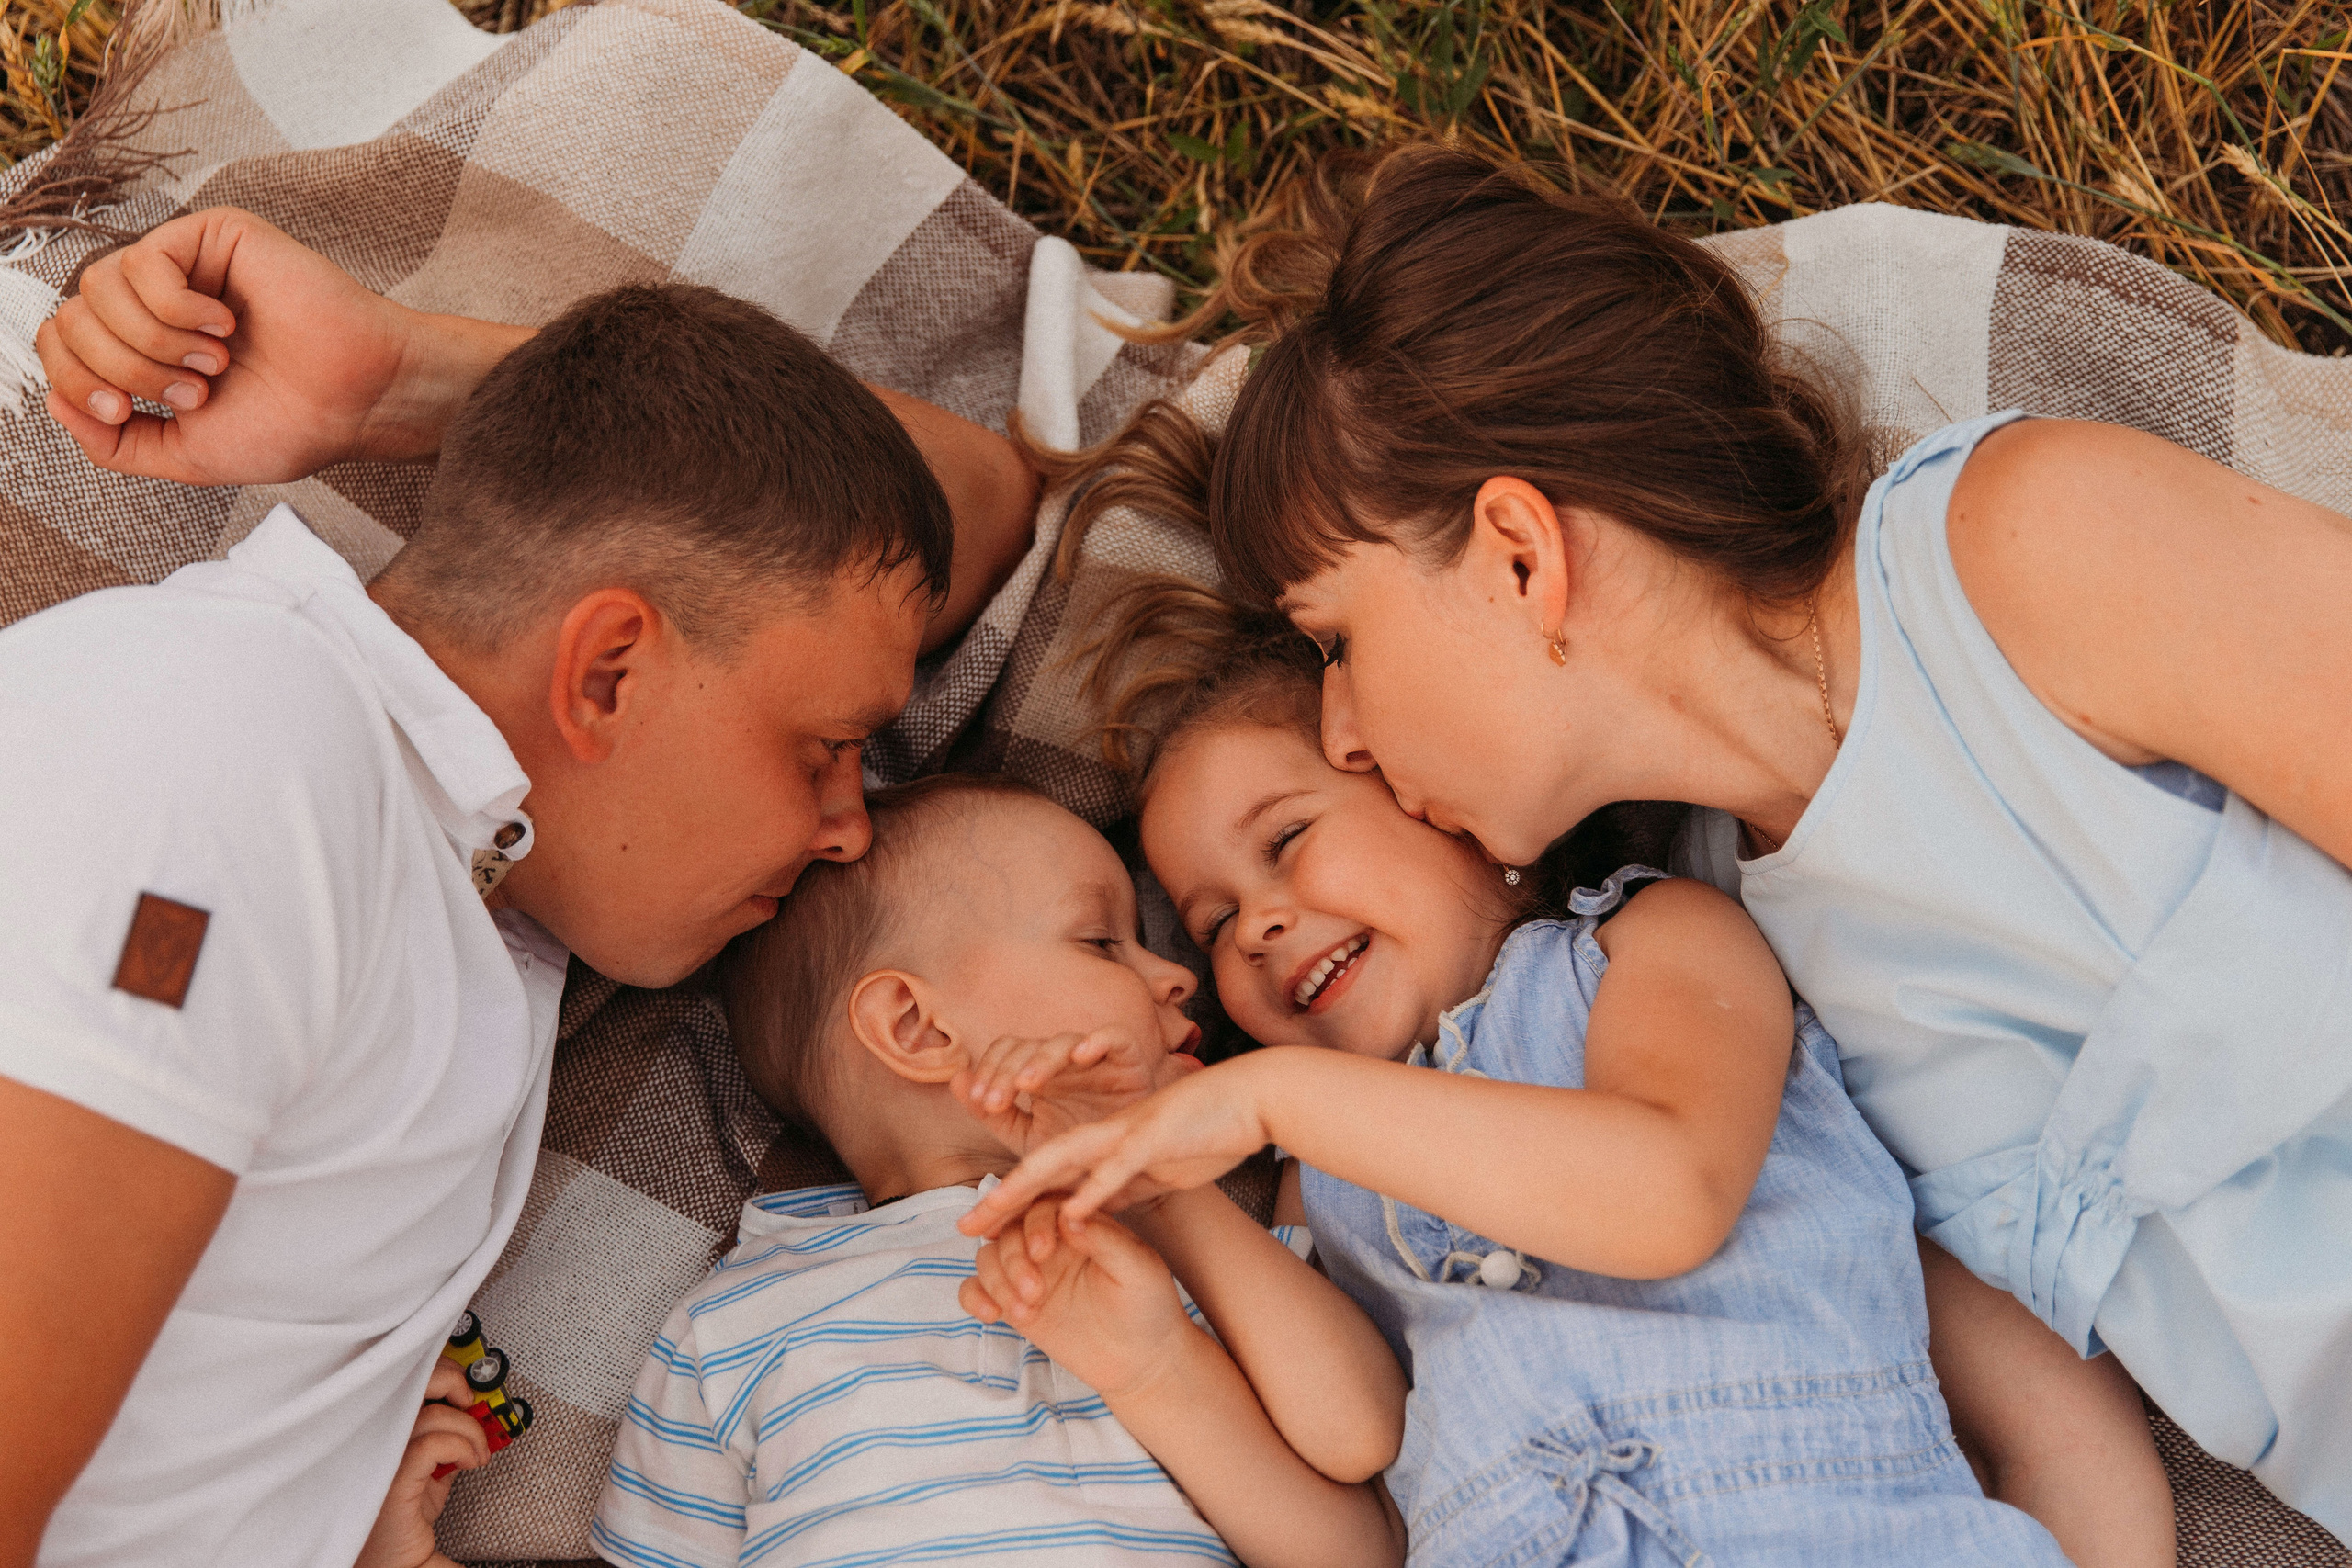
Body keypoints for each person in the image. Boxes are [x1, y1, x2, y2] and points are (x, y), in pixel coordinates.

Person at [1048, 141, 2352, 1541]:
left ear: (1519, 554)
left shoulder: (2021, 551)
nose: (1346, 730)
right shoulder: (1716, 954)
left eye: (1340, 643)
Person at [3, 208, 1039, 1568]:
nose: (851, 827)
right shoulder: (240, 743)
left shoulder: (455, 856)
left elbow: (965, 492)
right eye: (827, 747)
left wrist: (397, 379)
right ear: (609, 672)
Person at [960, 601, 2082, 1566]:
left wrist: (1262, 1101)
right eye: (1210, 926)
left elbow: (1666, 1193)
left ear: (1434, 800)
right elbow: (1361, 1473)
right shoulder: (1315, 1177)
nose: (1252, 926)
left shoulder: (1643, 946)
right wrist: (1153, 1180)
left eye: (1290, 838)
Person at [357, 774, 1408, 1568]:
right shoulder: (734, 1325)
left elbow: (1360, 1513)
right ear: (915, 1024)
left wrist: (1160, 1192)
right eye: (1102, 942)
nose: (1179, 971)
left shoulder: (1191, 1250)